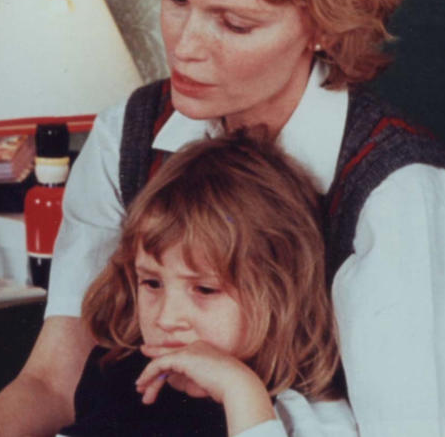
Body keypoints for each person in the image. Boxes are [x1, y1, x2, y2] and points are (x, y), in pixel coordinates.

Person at [0, 0, 445, 436]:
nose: (185, 47)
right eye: (176, 0)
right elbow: (51, 383)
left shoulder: (400, 193)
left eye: (235, 24)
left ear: (326, 29)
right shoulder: (128, 132)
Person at [57, 134, 353, 437]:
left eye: (205, 289)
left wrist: (239, 392)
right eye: (152, 283)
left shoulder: (308, 414)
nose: (166, 319)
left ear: (279, 295)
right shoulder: (119, 377)